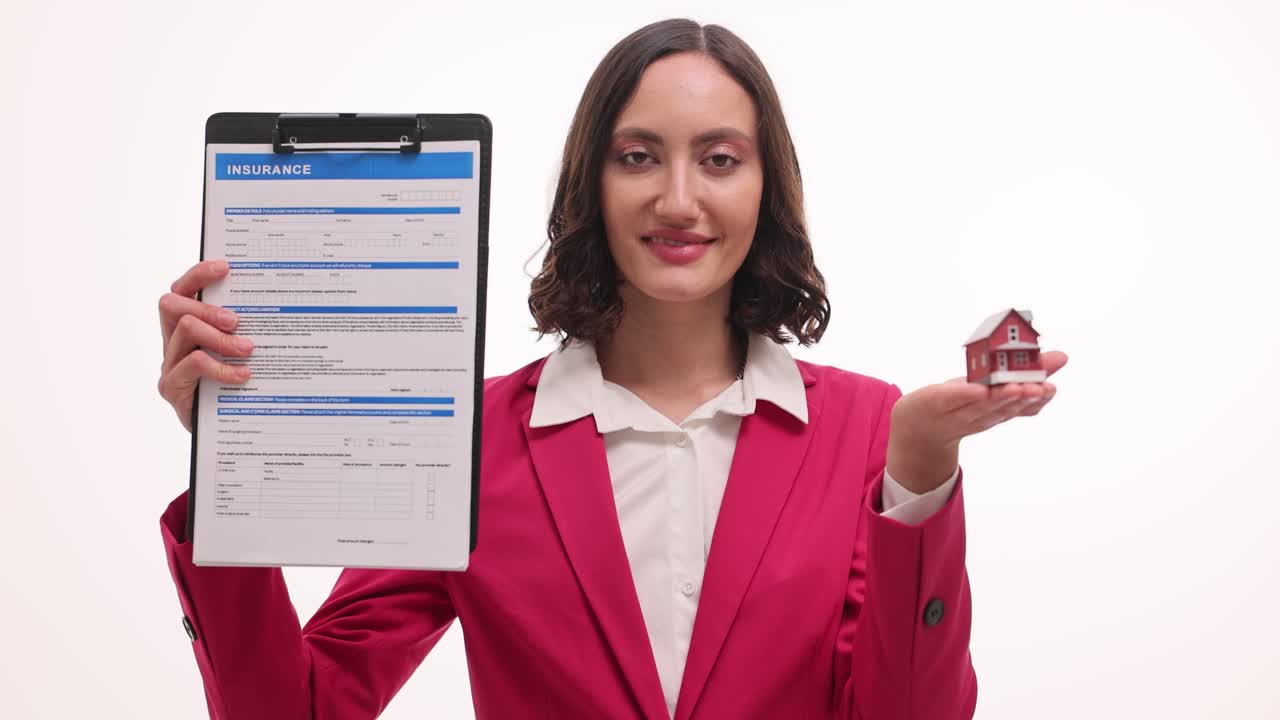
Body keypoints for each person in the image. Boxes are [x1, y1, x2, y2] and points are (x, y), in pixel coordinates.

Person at [156, 18, 1066, 720]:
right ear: (591, 184)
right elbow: (297, 707)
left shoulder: (872, 430)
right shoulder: (468, 443)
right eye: (638, 157)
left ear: (765, 187)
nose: (679, 200)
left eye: (719, 159)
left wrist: (918, 478)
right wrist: (229, 455)